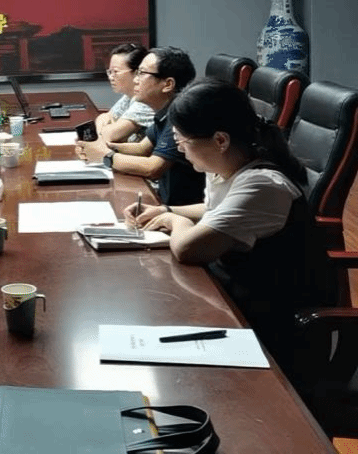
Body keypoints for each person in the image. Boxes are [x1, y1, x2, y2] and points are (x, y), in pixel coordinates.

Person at [124, 78, 336, 365]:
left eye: (181, 141)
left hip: (278, 338)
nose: (180, 149)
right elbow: (216, 210)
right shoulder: (227, 169)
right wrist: (165, 209)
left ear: (220, 141)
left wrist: (173, 220)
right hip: (237, 310)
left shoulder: (262, 185)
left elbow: (188, 248)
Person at [78, 46, 204, 206]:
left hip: (177, 208)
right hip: (162, 199)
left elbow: (152, 168)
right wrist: (102, 147)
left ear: (167, 84)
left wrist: (105, 155)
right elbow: (141, 148)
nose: (136, 79)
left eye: (142, 73)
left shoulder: (179, 115)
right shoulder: (162, 111)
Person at [93, 43, 155, 143]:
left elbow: (110, 135)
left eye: (115, 72)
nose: (111, 77)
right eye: (110, 72)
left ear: (137, 73)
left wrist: (104, 130)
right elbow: (104, 117)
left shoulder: (146, 101)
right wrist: (104, 130)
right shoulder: (129, 96)